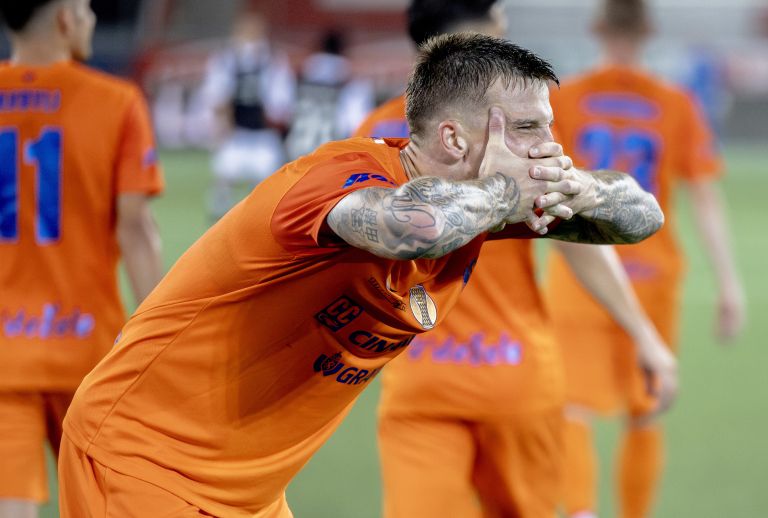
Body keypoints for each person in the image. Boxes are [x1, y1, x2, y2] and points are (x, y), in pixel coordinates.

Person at [59, 33, 664, 517]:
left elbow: (642, 216)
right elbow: (415, 227)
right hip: (145, 459)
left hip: (248, 490)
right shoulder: (341, 177)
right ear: (454, 139)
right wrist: (506, 189)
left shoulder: (481, 203)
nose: (549, 145)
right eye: (529, 128)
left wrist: (579, 188)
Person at [355, 1, 675, 516]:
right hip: (514, 371)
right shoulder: (519, 134)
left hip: (420, 377)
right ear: (484, 33)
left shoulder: (374, 134)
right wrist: (643, 333)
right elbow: (576, 235)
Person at [542, 1, 746, 517]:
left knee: (575, 405)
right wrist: (728, 282)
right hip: (651, 272)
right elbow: (704, 195)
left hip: (582, 272)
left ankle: (580, 511)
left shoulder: (568, 98)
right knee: (647, 407)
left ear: (599, 30)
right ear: (647, 33)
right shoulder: (672, 102)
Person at [0, 0, 164, 516]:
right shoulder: (115, 102)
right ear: (66, 17)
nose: (92, 18)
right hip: (91, 356)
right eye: (88, 8)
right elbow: (136, 231)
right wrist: (163, 345)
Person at [198, 9, 295, 220]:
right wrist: (221, 124)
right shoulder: (226, 59)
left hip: (263, 135)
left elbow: (281, 103)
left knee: (264, 187)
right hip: (236, 133)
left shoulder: (273, 60)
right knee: (224, 179)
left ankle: (254, 219)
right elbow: (216, 96)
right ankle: (221, 223)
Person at [285, 30, 374, 161]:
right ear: (343, 49)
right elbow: (357, 124)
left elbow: (281, 111)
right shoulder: (351, 79)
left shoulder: (300, 73)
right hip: (331, 154)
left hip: (296, 152)